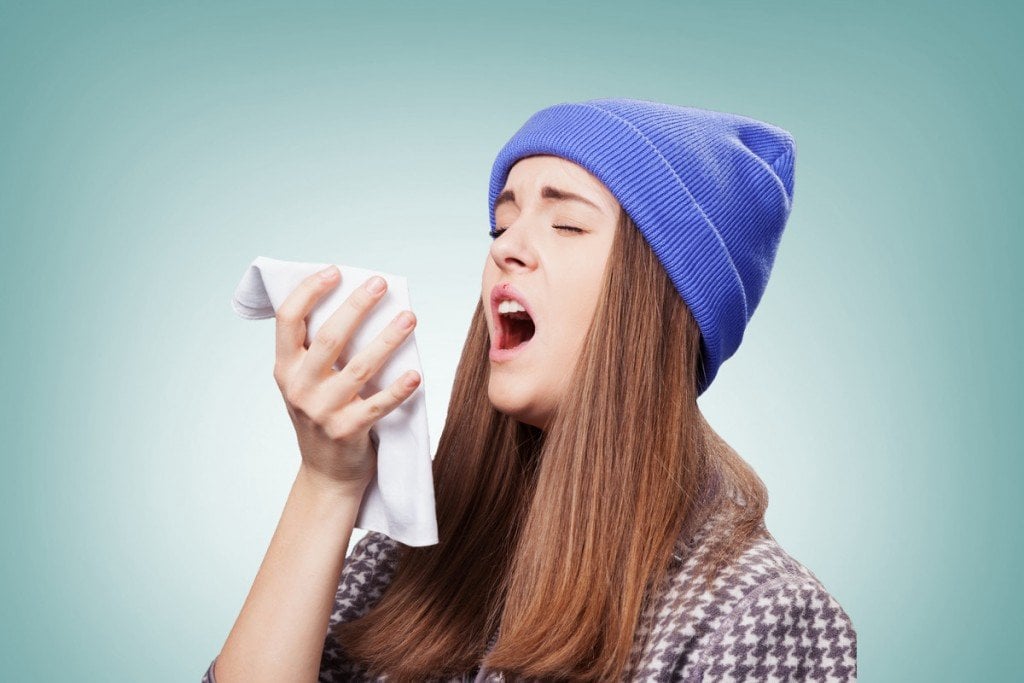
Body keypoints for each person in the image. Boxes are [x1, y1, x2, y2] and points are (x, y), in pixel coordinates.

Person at [203, 97, 857, 682]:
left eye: (566, 224)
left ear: (661, 303)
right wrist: (327, 482)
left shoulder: (760, 614)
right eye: (501, 224)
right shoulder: (407, 560)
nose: (508, 248)